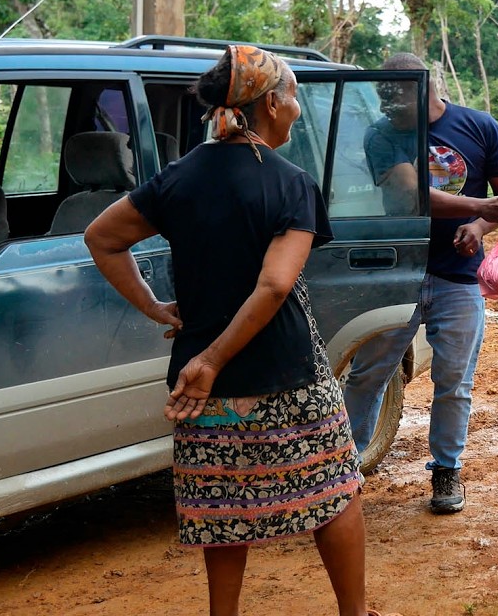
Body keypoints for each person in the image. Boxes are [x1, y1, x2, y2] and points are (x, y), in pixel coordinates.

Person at [84, 45, 399, 616]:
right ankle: (354, 612)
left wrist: (159, 310)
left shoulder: (178, 178)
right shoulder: (289, 183)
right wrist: (213, 361)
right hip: (286, 371)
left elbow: (101, 238)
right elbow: (275, 287)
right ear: (272, 104)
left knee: (223, 506)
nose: (298, 110)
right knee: (333, 490)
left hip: (203, 383)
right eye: (295, 97)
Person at [344, 52, 498, 515]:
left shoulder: (480, 127)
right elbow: (409, 194)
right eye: (382, 94)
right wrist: (477, 209)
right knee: (368, 374)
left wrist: (480, 228)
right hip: (396, 272)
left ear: (425, 87)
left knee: (454, 380)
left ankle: (446, 471)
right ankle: (344, 470)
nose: (387, 104)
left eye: (396, 94)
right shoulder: (382, 134)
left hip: (458, 276)